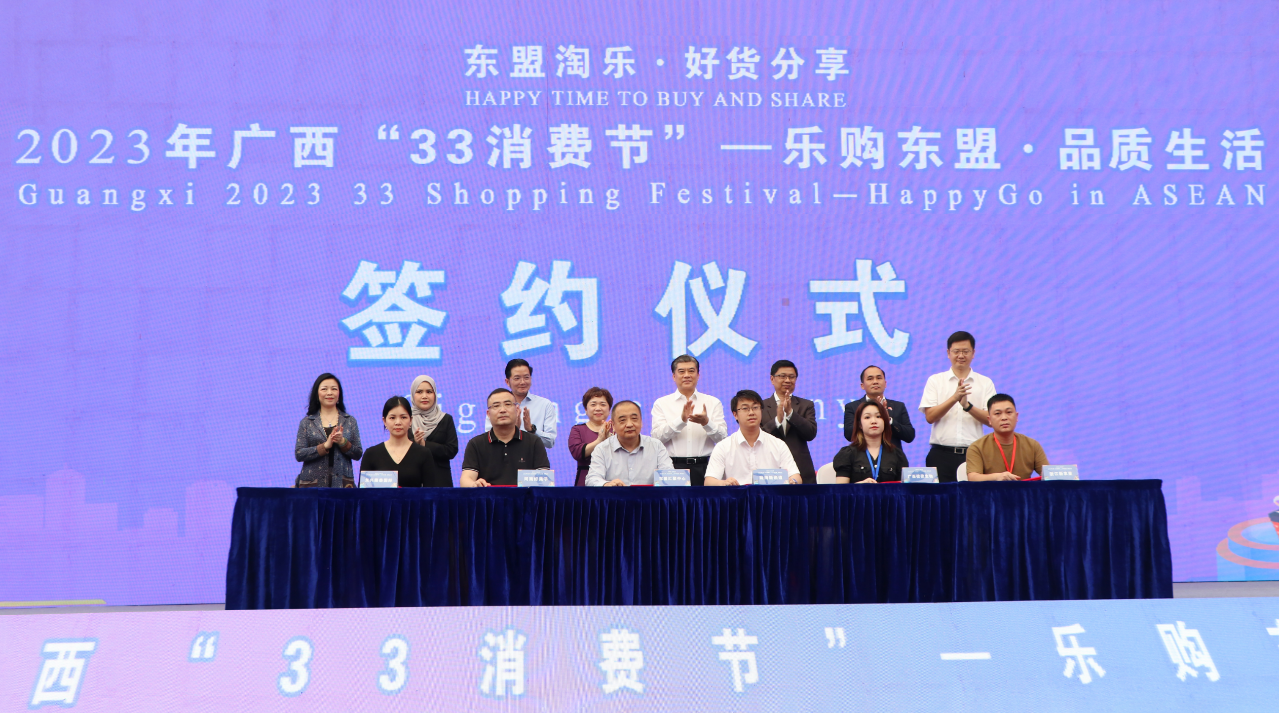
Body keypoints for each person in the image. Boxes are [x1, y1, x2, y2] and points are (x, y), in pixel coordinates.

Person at [919, 331, 997, 483]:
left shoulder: (985, 382)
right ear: (948, 353)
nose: (961, 355)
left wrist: (967, 406)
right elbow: (930, 417)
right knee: (940, 497)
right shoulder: (935, 381)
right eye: (956, 351)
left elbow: (991, 420)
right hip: (941, 454)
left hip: (974, 454)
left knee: (973, 496)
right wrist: (954, 398)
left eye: (965, 351)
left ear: (973, 353)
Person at [651, 355, 728, 487]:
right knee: (673, 501)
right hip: (672, 468)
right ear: (674, 376)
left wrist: (706, 423)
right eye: (681, 371)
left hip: (706, 467)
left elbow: (723, 438)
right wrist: (680, 421)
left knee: (705, 501)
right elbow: (656, 438)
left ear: (698, 375)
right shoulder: (661, 403)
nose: (686, 375)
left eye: (691, 371)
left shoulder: (713, 402)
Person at [705, 390, 802, 486]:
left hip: (770, 496)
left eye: (755, 407)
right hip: (737, 496)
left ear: (761, 411)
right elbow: (709, 481)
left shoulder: (778, 444)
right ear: (735, 415)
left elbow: (796, 476)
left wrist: (793, 481)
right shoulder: (723, 447)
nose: (751, 412)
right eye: (745, 408)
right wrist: (723, 483)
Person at [461, 388, 551, 487]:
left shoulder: (533, 442)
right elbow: (466, 479)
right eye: (496, 406)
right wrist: (474, 484)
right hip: (488, 496)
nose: (502, 410)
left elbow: (544, 481)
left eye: (508, 404)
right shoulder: (476, 444)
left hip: (524, 496)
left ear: (517, 410)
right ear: (488, 414)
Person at [294, 373, 363, 488]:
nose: (329, 392)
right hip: (312, 486)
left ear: (339, 394)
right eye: (324, 389)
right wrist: (325, 446)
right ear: (317, 394)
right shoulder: (307, 422)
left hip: (342, 486)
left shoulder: (350, 421)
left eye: (334, 389)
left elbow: (358, 454)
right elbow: (299, 454)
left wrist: (343, 442)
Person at [362, 396, 447, 487]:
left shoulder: (424, 453)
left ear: (410, 420)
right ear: (384, 421)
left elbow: (430, 492)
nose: (398, 422)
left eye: (403, 417)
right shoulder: (371, 454)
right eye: (392, 418)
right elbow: (364, 493)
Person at [585, 401, 674, 487]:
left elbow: (669, 477)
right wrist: (606, 484)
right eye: (622, 420)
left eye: (634, 419)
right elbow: (592, 479)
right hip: (615, 497)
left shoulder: (656, 446)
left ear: (641, 422)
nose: (629, 424)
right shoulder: (602, 449)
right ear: (613, 425)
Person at [759, 360, 819, 483]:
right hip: (769, 469)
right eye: (782, 376)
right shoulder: (761, 406)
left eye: (792, 377)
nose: (787, 380)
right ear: (772, 379)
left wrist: (791, 413)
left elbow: (810, 433)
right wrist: (777, 420)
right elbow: (758, 436)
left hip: (801, 470)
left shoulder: (806, 405)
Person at [964, 394, 1049, 481]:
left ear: (1016, 416)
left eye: (1009, 412)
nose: (1004, 418)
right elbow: (973, 478)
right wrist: (997, 477)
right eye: (997, 413)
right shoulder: (977, 447)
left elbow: (1048, 475)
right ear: (989, 420)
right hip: (992, 489)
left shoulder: (1032, 445)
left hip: (1024, 490)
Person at [484, 359, 558, 449]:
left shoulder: (545, 404)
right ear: (507, 382)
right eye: (517, 378)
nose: (522, 382)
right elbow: (489, 440)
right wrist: (513, 429)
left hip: (534, 457)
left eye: (526, 377)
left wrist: (532, 430)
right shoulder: (497, 407)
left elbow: (550, 442)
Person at [833, 401, 909, 483]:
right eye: (867, 417)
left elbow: (905, 488)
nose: (873, 421)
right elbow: (840, 489)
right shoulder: (847, 454)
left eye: (878, 416)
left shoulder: (898, 455)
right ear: (860, 424)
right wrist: (859, 486)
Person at [843, 365, 916, 444]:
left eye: (879, 378)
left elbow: (909, 436)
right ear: (862, 386)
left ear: (885, 383)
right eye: (870, 379)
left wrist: (889, 420)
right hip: (863, 451)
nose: (875, 382)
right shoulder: (852, 407)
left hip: (892, 451)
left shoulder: (898, 406)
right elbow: (849, 435)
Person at [408, 375, 459, 485]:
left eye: (429, 392)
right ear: (412, 394)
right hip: (412, 482)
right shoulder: (406, 419)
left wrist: (425, 444)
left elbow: (451, 450)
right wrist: (414, 442)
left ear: (435, 394)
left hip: (440, 482)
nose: (424, 396)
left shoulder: (446, 419)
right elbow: (399, 449)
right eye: (419, 392)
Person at [568, 387, 614, 487]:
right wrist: (599, 440)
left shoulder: (617, 430)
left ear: (609, 409)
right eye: (593, 404)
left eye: (603, 404)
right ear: (585, 409)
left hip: (613, 480)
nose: (598, 408)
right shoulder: (577, 430)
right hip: (585, 481)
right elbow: (577, 453)